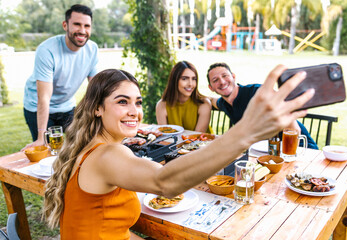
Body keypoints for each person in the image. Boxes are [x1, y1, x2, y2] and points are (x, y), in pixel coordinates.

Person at [43, 67, 314, 239]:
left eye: (137, 102)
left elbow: (113, 230)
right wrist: (245, 132)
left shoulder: (90, 147)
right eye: (121, 102)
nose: (134, 111)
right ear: (97, 108)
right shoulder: (107, 156)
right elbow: (165, 182)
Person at [22, 4, 98, 149]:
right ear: (65, 25)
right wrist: (40, 137)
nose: (82, 31)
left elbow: (97, 89)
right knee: (49, 150)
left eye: (87, 26)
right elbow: (43, 97)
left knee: (78, 146)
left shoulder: (92, 49)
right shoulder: (47, 50)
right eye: (77, 24)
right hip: (37, 107)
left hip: (67, 106)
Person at [207, 62, 318, 149]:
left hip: (301, 149)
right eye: (215, 80)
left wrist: (287, 156)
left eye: (225, 76)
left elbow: (293, 130)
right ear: (211, 87)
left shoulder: (257, 92)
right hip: (265, 154)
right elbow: (212, 100)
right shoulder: (223, 103)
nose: (222, 82)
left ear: (233, 77)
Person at [156, 61, 212, 133]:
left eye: (194, 79)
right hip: (173, 143)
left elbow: (197, 136)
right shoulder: (162, 105)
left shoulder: (204, 104)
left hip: (203, 143)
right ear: (174, 81)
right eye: (184, 79)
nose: (190, 84)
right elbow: (164, 135)